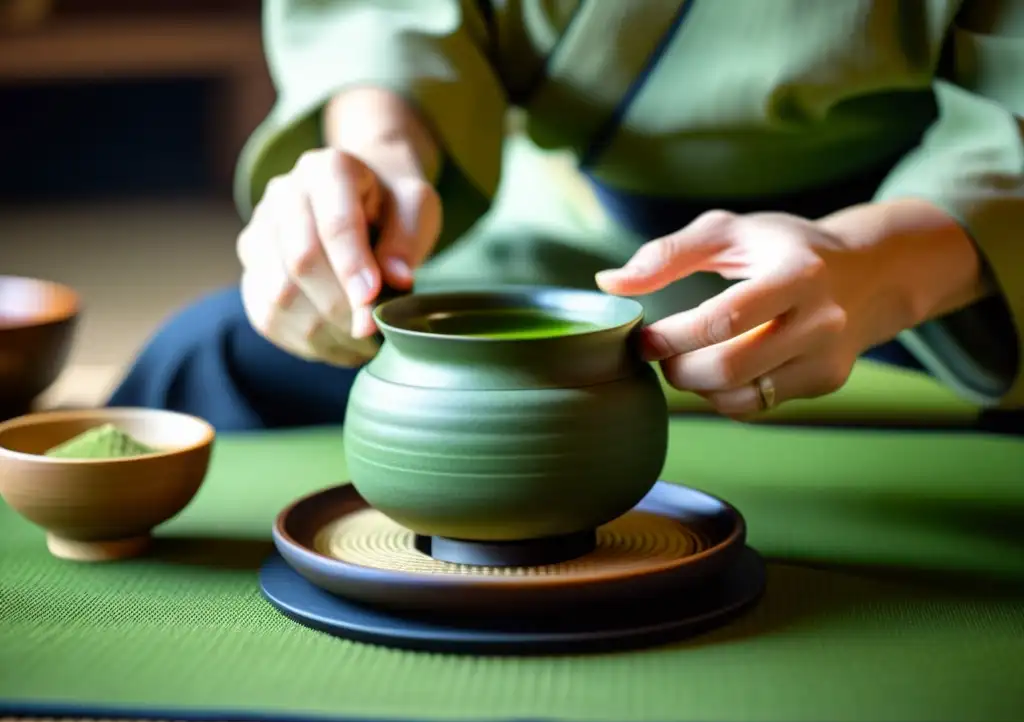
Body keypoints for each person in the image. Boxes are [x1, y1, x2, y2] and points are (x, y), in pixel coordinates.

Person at [109, 0, 1024, 431]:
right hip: (578, 243)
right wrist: (378, 157)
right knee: (217, 354)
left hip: (945, 265)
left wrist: (873, 265)